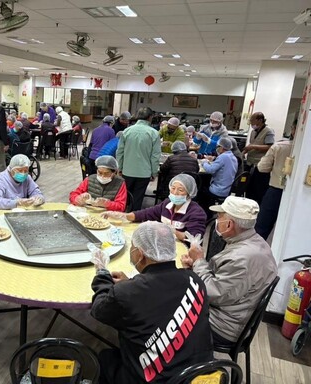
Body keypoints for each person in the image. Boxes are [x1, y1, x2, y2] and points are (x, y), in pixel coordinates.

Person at [91, 221, 213, 384]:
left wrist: (102, 272)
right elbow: (161, 296)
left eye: (132, 247)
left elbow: (99, 309)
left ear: (140, 254)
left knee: (104, 357)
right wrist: (132, 283)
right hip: (200, 376)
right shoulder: (194, 279)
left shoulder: (127, 293)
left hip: (154, 379)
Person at [181, 196, 277, 346]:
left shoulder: (241, 258)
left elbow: (212, 294)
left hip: (222, 326)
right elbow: (223, 281)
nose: (217, 220)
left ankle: (172, 362)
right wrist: (195, 265)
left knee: (167, 307)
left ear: (229, 225)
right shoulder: (256, 242)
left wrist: (199, 261)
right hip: (232, 312)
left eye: (220, 216)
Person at [103, 174, 206, 241]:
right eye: (173, 189)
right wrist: (121, 215)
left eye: (180, 190)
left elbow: (194, 239)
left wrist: (172, 231)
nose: (175, 193)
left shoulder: (196, 212)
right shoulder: (167, 204)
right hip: (163, 244)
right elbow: (145, 213)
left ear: (189, 193)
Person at [255, 123, 296, 240]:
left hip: (276, 190)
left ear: (293, 130)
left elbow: (262, 167)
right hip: (297, 196)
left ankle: (257, 254)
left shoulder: (279, 146)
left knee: (262, 228)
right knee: (289, 230)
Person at [117, 107, 161, 211]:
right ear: (150, 117)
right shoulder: (154, 133)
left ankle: (121, 215)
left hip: (127, 170)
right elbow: (155, 156)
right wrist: (154, 172)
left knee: (124, 196)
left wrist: (120, 167)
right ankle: (133, 219)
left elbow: (119, 152)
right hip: (144, 172)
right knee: (138, 198)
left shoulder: (126, 131)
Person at [199, 137, 238, 218]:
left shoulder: (223, 157)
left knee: (201, 190)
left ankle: (205, 216)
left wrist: (204, 162)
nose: (216, 149)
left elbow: (210, 170)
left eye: (217, 147)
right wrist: (214, 159)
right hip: (228, 189)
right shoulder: (232, 157)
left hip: (219, 190)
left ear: (221, 147)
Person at [243, 112, 275, 205]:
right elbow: (252, 144)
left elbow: (269, 146)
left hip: (260, 166)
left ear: (260, 120)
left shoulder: (268, 131)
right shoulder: (253, 132)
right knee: (248, 188)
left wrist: (253, 146)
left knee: (259, 189)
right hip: (250, 163)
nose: (251, 123)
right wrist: (245, 151)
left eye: (253, 121)